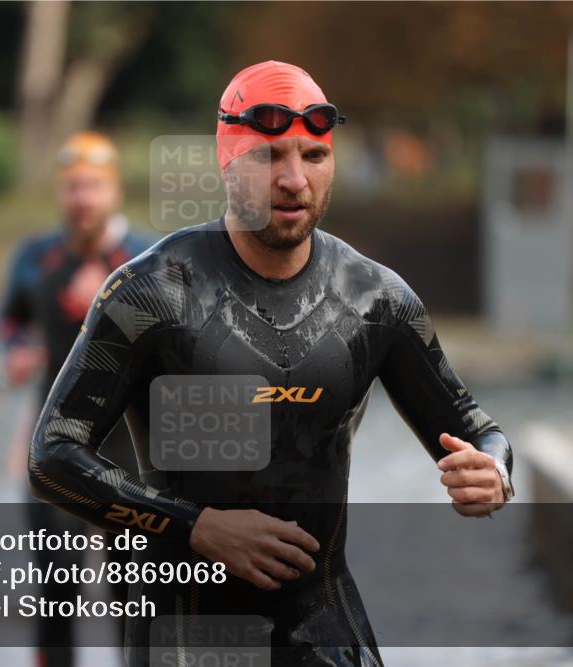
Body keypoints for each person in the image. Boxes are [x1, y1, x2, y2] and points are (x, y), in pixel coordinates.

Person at [29, 61, 514, 666]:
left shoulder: (377, 300)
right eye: (270, 157)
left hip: (324, 619)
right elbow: (53, 457)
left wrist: (492, 472)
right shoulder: (151, 292)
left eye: (313, 156)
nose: (294, 180)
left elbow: (478, 431)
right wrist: (199, 527)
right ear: (228, 160)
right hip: (190, 626)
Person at [0, 131, 158, 667]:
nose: (81, 199)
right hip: (55, 448)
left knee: (134, 607)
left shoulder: (150, 256)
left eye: (91, 187)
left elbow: (181, 348)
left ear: (114, 191)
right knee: (53, 604)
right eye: (71, 188)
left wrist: (111, 306)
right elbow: (11, 320)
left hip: (132, 455)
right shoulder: (35, 255)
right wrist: (17, 351)